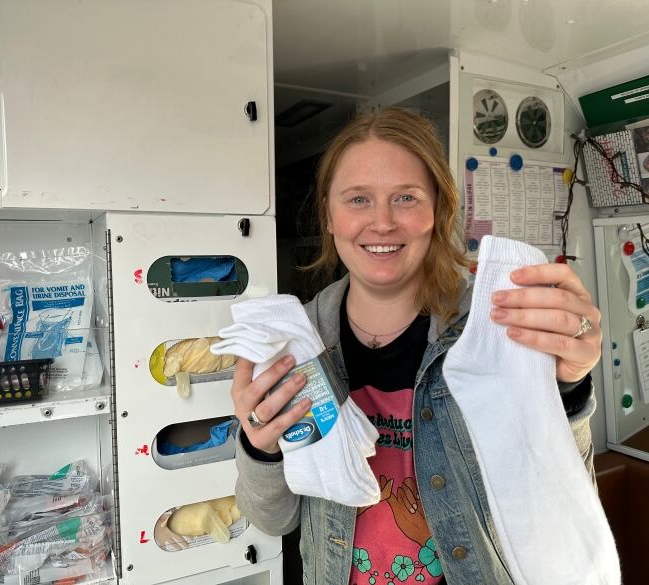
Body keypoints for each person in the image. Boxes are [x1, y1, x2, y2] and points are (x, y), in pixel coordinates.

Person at [231, 107, 602, 585]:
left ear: (438, 210)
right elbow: (274, 520)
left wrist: (567, 390)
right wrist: (261, 449)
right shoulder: (292, 343)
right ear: (328, 215)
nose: (382, 223)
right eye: (358, 199)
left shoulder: (494, 332)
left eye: (405, 197)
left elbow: (563, 509)